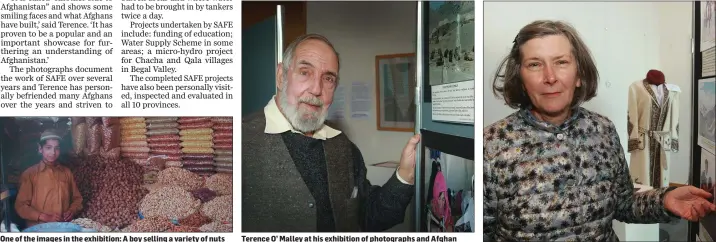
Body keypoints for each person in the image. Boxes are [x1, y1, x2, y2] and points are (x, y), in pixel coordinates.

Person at [484, 20, 716, 241]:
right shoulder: (491, 145)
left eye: (561, 62)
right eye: (535, 64)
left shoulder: (602, 129)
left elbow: (623, 204)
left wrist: (665, 200)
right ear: (521, 78)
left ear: (579, 75)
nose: (550, 77)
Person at [242, 33, 419, 232]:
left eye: (328, 78)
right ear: (282, 76)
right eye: (304, 72)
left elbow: (369, 216)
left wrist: (405, 174)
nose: (317, 89)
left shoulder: (343, 146)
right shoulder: (236, 142)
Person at [15, 130, 83, 227]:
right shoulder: (30, 174)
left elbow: (77, 199)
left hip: (62, 228)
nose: (53, 152)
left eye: (56, 148)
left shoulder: (66, 172)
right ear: (40, 149)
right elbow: (20, 206)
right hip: (38, 229)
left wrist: (72, 210)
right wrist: (44, 216)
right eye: (48, 148)